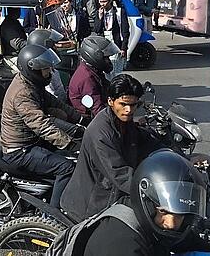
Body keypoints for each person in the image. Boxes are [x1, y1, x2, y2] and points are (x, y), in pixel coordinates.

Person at [75, 150, 210, 256]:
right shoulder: (121, 243)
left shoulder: (155, 221)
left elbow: (186, 240)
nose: (171, 223)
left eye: (180, 215)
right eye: (164, 211)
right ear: (147, 201)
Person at [62, 74, 161, 221]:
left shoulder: (123, 122)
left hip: (112, 197)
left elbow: (145, 142)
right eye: (123, 104)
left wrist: (175, 156)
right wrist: (155, 192)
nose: (128, 110)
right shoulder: (100, 132)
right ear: (111, 101)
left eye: (133, 105)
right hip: (91, 206)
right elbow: (120, 174)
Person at [0, 44, 84, 210]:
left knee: (71, 152)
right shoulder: (22, 93)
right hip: (20, 151)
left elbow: (56, 104)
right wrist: (69, 143)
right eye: (46, 69)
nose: (50, 72)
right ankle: (53, 217)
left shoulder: (31, 84)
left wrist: (83, 120)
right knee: (67, 168)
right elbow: (41, 125)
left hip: (31, 141)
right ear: (33, 70)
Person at [68, 35, 119, 116]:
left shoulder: (92, 70)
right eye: (106, 58)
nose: (108, 61)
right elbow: (98, 110)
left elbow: (108, 87)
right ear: (95, 56)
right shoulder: (87, 78)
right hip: (89, 119)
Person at [93, 0, 130, 78]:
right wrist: (100, 17)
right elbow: (97, 29)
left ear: (110, 1)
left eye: (104, 1)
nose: (102, 4)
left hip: (115, 41)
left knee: (114, 66)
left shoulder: (119, 12)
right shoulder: (99, 12)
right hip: (104, 42)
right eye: (100, 1)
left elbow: (125, 31)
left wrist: (124, 47)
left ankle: (113, 84)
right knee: (105, 67)